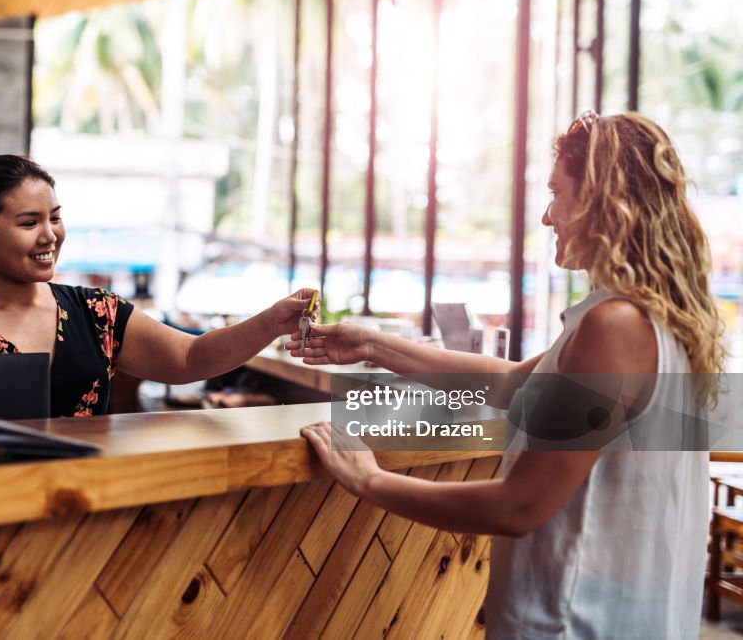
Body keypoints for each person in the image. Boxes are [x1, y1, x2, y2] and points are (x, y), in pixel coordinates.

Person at [288, 111, 726, 639]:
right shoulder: (654, 318)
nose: (546, 217)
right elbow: (512, 383)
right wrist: (372, 344)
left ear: (601, 200)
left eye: (556, 193)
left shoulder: (616, 326)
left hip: (579, 623)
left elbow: (519, 506)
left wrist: (369, 479)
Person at [0, 154, 317, 417]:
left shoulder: (96, 312)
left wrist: (271, 322)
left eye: (55, 218)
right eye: (29, 223)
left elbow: (190, 358)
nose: (49, 235)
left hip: (92, 516)